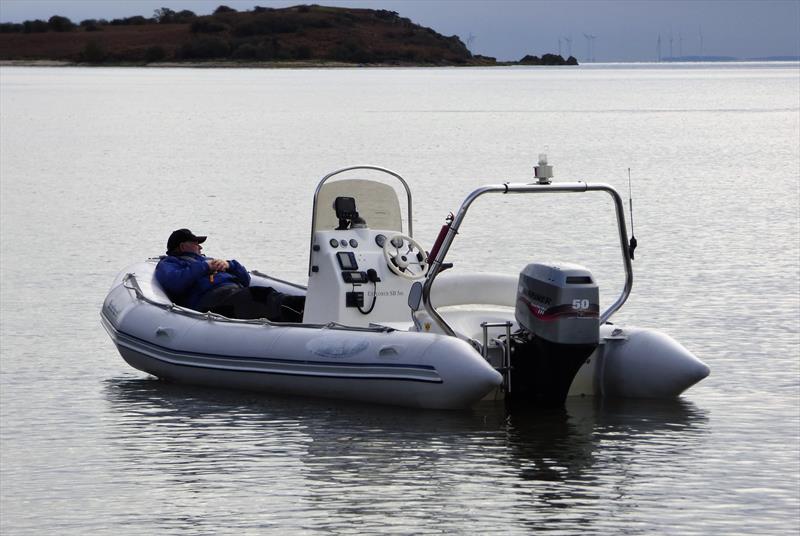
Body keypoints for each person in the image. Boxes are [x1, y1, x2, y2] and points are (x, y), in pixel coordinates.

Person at [155, 228, 304, 322]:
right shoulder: (170, 264)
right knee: (260, 295)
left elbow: (246, 280)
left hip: (233, 293)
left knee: (264, 294)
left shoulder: (207, 260)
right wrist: (204, 266)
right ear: (182, 246)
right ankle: (301, 313)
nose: (200, 246)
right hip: (210, 300)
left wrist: (229, 265)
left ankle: (304, 306)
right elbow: (175, 283)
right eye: (195, 243)